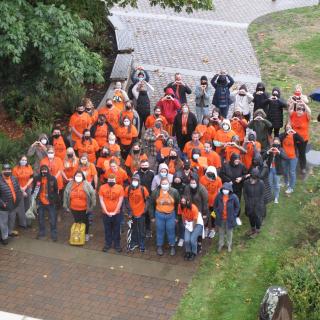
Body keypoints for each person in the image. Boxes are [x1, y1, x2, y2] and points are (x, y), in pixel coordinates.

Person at [149, 177, 180, 256]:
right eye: (163, 184)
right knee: (160, 231)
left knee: (171, 231)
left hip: (171, 215)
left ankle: (172, 246)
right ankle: (159, 246)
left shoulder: (174, 191)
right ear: (160, 184)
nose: (164, 185)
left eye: (166, 184)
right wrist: (152, 216)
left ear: (169, 184)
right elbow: (151, 204)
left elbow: (178, 205)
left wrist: (177, 217)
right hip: (159, 215)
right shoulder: (156, 192)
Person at [63, 171, 96, 242]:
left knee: (85, 221)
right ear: (74, 176)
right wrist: (65, 205)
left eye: (80, 176)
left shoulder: (86, 184)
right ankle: (78, 233)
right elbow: (66, 193)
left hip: (84, 208)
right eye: (77, 176)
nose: (78, 177)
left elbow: (92, 193)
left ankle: (86, 234)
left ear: (83, 177)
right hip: (73, 207)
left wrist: (93, 204)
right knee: (77, 221)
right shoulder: (70, 184)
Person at [32, 165, 58, 241]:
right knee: (40, 219)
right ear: (40, 171)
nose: (44, 172)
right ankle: (42, 232)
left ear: (48, 170)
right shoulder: (37, 178)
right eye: (42, 170)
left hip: (50, 202)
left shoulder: (52, 178)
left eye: (45, 170)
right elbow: (34, 189)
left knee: (53, 219)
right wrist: (34, 199)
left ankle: (54, 234)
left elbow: (56, 190)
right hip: (40, 202)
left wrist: (54, 200)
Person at [99, 173, 124, 252]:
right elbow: (101, 200)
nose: (111, 182)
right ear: (107, 180)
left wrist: (115, 211)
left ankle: (117, 245)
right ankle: (108, 244)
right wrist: (106, 211)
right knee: (107, 229)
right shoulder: (102, 187)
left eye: (112, 180)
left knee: (117, 229)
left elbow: (120, 200)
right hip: (105, 213)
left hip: (117, 213)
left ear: (115, 180)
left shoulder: (120, 188)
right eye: (109, 180)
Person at [125, 174, 149, 252]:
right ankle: (134, 243)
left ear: (139, 181)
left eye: (136, 180)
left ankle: (142, 244)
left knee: (142, 230)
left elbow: (148, 200)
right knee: (133, 229)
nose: (134, 181)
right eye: (133, 180)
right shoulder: (128, 189)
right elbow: (126, 200)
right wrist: (129, 211)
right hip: (132, 214)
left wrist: (144, 210)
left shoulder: (143, 189)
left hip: (141, 213)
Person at [220, 153, 248, 219]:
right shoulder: (226, 166)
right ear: (232, 159)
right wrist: (228, 180)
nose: (237, 161)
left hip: (238, 187)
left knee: (237, 201)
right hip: (228, 188)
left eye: (238, 159)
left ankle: (237, 216)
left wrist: (241, 178)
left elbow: (246, 174)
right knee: (227, 201)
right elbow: (221, 174)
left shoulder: (242, 166)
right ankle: (227, 215)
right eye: (236, 159)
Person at [213, 182, 240, 252]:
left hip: (229, 219)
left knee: (229, 233)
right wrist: (217, 212)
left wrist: (234, 215)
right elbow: (215, 205)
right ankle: (221, 244)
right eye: (224, 189)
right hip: (221, 218)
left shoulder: (234, 197)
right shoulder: (218, 196)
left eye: (226, 189)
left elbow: (237, 207)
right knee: (221, 232)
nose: (225, 190)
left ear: (230, 189)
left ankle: (229, 245)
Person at [0, 164, 22, 245]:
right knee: (3, 222)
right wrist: (2, 204)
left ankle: (9, 232)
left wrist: (18, 199)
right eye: (5, 169)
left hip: (14, 204)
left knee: (12, 220)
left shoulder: (13, 178)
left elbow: (18, 189)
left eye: (9, 169)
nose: (7, 171)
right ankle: (4, 237)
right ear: (2, 171)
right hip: (4, 206)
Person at [280, 124, 304, 194]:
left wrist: (295, 133)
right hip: (284, 156)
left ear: (292, 128)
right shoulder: (283, 135)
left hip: (293, 157)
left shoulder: (294, 135)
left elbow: (302, 140)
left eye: (289, 127)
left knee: (292, 172)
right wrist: (286, 134)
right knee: (284, 171)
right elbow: (278, 139)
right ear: (285, 128)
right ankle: (286, 182)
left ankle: (291, 187)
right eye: (287, 128)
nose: (288, 129)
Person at [288, 100, 311, 174]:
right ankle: (292, 166)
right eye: (298, 109)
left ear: (304, 111)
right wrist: (293, 103)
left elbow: (309, 111)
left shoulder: (306, 116)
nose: (300, 111)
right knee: (293, 152)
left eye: (302, 110)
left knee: (302, 153)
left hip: (303, 139)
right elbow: (289, 110)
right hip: (293, 138)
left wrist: (304, 104)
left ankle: (303, 167)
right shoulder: (293, 114)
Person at [200, 166, 222, 238]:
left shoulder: (218, 180)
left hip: (214, 202)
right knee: (205, 215)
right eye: (209, 173)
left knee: (213, 215)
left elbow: (219, 191)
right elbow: (200, 189)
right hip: (205, 201)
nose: (210, 175)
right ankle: (206, 228)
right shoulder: (203, 179)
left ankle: (213, 229)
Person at [179, 195, 203, 261]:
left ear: (188, 201)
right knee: (186, 240)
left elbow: (195, 220)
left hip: (197, 223)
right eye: (181, 201)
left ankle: (193, 253)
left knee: (192, 240)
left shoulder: (193, 208)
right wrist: (184, 224)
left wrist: (192, 228)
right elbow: (182, 215)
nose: (182, 203)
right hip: (188, 223)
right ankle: (188, 251)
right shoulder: (181, 206)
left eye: (184, 201)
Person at [264, 137, 288, 204]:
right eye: (274, 143)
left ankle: (276, 197)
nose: (276, 144)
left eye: (277, 143)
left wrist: (279, 152)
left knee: (276, 185)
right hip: (270, 169)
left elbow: (286, 157)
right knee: (270, 184)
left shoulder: (281, 149)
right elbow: (263, 157)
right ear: (273, 143)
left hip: (277, 170)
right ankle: (271, 196)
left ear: (279, 143)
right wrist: (268, 152)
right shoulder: (271, 149)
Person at [12, 156, 34, 228]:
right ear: (19, 160)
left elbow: (31, 177)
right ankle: (23, 224)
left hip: (27, 187)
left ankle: (28, 222)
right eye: (22, 160)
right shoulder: (15, 169)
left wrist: (26, 187)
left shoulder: (29, 167)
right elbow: (15, 181)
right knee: (21, 206)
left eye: (25, 160)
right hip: (18, 189)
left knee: (28, 204)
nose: (24, 161)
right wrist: (22, 190)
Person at [243, 168, 265, 238]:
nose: (253, 180)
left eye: (255, 178)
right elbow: (245, 193)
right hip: (249, 203)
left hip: (258, 203)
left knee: (257, 217)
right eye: (252, 177)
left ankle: (257, 230)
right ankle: (252, 229)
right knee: (251, 217)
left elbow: (262, 194)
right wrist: (247, 202)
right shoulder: (246, 183)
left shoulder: (261, 183)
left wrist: (260, 203)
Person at [137, 160, 155, 238]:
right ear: (140, 165)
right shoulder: (136, 174)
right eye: (143, 165)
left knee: (148, 214)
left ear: (148, 165)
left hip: (149, 197)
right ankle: (140, 230)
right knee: (140, 213)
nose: (144, 167)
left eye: (146, 165)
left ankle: (148, 230)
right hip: (139, 197)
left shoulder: (152, 173)